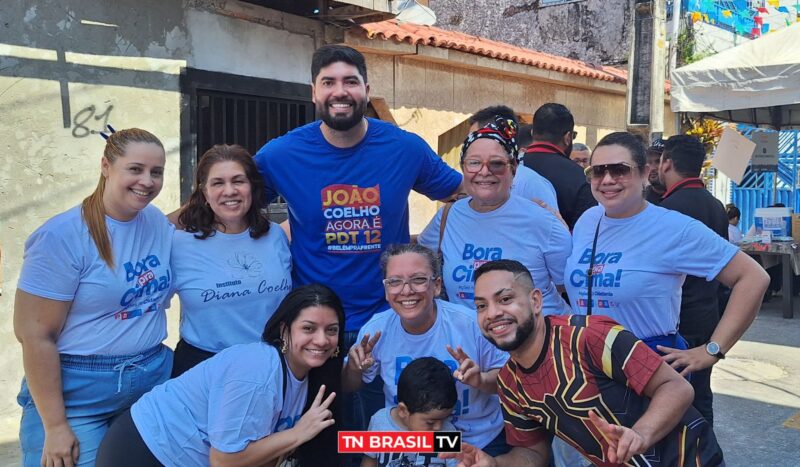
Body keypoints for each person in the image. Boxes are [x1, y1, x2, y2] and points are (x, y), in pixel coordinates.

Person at [253, 44, 462, 437]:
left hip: (387, 322)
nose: (340, 91)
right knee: (322, 437)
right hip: (318, 327)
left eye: (350, 81)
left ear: (366, 89)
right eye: (328, 82)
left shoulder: (404, 147)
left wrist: (526, 203)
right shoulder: (282, 154)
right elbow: (229, 204)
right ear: (313, 92)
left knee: (388, 429)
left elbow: (459, 191)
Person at [445, 259, 725, 467]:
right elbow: (532, 455)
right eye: (481, 305)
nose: (492, 313)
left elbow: (676, 387)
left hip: (693, 458)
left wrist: (640, 434)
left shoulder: (590, 336)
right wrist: (494, 464)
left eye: (505, 299)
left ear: (536, 301)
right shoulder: (510, 384)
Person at [15, 128, 174, 467]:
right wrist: (56, 427)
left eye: (156, 172)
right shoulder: (61, 237)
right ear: (106, 166)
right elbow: (35, 335)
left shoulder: (156, 222)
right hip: (76, 395)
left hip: (150, 381)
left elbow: (193, 218)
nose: (147, 181)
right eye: (135, 169)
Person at [564, 132, 768, 377]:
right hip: (589, 366)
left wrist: (712, 350)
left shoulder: (674, 228)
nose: (607, 179)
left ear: (644, 173)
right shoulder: (589, 220)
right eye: (597, 171)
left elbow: (753, 277)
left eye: (620, 170)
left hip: (648, 368)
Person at [96, 284, 344, 467]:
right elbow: (224, 460)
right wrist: (297, 433)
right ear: (284, 329)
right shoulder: (259, 372)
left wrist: (355, 370)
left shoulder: (308, 371)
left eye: (331, 330)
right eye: (308, 328)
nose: (322, 340)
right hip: (147, 451)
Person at [343, 244, 510, 455]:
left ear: (437, 285)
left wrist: (481, 380)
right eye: (395, 282)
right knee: (356, 446)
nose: (406, 290)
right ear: (386, 290)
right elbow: (348, 386)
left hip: (476, 439)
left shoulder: (471, 324)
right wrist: (354, 369)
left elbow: (510, 383)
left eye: (418, 279)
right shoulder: (376, 330)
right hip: (409, 443)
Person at [417, 117, 571, 315]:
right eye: (474, 163)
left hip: (533, 341)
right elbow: (419, 261)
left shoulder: (543, 221)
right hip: (469, 342)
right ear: (463, 168)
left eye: (496, 164)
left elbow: (567, 288)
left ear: (513, 169)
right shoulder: (448, 216)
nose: (484, 171)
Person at [170, 144, 291, 376]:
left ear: (252, 188)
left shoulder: (275, 235)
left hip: (270, 365)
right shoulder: (177, 243)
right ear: (204, 192)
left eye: (238, 181)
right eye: (217, 183)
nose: (229, 191)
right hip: (202, 368)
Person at [658, 135, 729, 425]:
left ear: (667, 163)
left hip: (680, 319)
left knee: (673, 396)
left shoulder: (668, 210)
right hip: (707, 314)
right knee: (701, 395)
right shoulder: (715, 205)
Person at [362, 357, 458, 467]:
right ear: (403, 411)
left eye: (444, 418)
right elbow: (370, 460)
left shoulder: (447, 433)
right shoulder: (380, 423)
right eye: (430, 422)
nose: (438, 427)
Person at [522, 103, 596, 229]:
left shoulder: (508, 168)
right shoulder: (581, 178)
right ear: (568, 137)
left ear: (532, 132)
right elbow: (585, 233)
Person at [468, 105, 558, 209]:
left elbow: (549, 223)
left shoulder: (533, 184)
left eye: (473, 138)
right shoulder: (475, 178)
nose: (468, 145)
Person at [645, 138, 666, 204]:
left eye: (658, 161)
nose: (652, 168)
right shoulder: (639, 199)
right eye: (649, 162)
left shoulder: (681, 197)